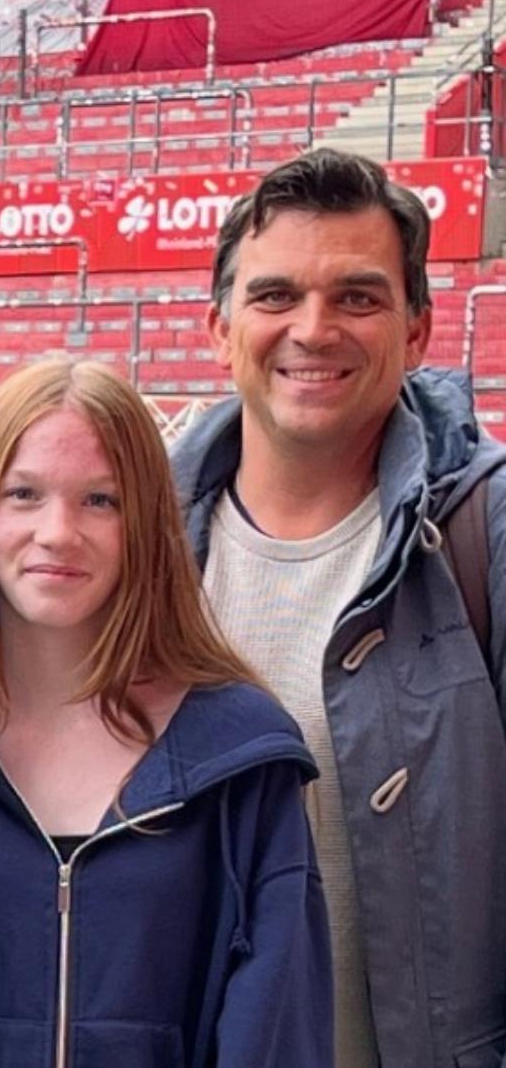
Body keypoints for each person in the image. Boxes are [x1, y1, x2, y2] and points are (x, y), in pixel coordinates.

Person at [0, 357, 332, 1066]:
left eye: (100, 501)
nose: (57, 532)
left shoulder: (241, 760)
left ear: (145, 522)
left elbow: (278, 1033)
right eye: (23, 494)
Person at [175, 147, 506, 1068]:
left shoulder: (483, 535)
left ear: (417, 332)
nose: (312, 330)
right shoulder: (130, 549)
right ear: (219, 328)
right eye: (275, 296)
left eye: (357, 298)